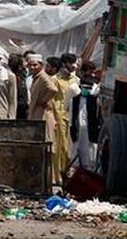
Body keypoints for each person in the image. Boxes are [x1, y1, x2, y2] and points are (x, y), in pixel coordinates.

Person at [50, 53, 81, 185]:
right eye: (71, 62)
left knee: (69, 149)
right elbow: (52, 99)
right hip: (59, 116)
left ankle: (66, 173)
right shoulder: (55, 79)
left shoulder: (74, 79)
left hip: (72, 116)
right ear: (64, 64)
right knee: (60, 148)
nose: (73, 65)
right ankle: (57, 177)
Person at [27, 53, 59, 179]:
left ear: (41, 65)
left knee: (45, 149)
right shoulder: (36, 77)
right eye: (30, 65)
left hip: (43, 117)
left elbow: (53, 89)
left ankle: (46, 180)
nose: (32, 67)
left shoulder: (43, 77)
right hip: (37, 115)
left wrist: (44, 101)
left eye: (35, 65)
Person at [70, 62, 101, 170]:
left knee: (90, 153)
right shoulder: (74, 89)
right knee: (75, 151)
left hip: (90, 128)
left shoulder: (96, 91)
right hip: (77, 127)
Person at [8, 54, 30, 120]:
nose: (26, 64)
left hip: (23, 110)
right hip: (17, 111)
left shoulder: (22, 76)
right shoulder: (12, 77)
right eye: (24, 62)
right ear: (19, 66)